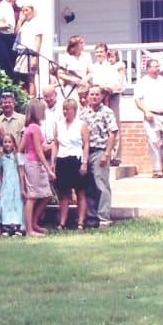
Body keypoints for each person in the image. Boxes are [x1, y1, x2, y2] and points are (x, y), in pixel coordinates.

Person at [80, 85, 118, 228]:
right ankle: (91, 217)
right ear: (87, 96)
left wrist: (107, 153)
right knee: (88, 185)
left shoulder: (107, 112)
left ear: (102, 97)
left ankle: (104, 218)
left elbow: (113, 133)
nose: (94, 97)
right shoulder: (83, 114)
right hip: (85, 152)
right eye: (91, 94)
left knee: (101, 184)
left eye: (97, 94)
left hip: (100, 151)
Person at [134, 59, 163, 178]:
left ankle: (159, 165)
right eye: (154, 67)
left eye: (158, 67)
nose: (156, 69)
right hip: (151, 116)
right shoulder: (143, 82)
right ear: (148, 68)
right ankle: (157, 170)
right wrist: (146, 111)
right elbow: (137, 100)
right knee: (153, 142)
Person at [52, 98, 89, 231]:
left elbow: (86, 145)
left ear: (74, 110)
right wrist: (53, 162)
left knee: (80, 192)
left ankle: (80, 222)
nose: (65, 111)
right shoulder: (59, 124)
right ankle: (62, 222)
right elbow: (55, 144)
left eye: (67, 109)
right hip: (62, 160)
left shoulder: (81, 124)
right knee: (63, 193)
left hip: (76, 159)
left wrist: (84, 163)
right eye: (64, 109)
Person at [20, 100, 53, 237]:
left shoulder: (30, 128)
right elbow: (39, 152)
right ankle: (29, 230)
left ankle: (33, 224)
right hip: (34, 164)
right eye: (42, 110)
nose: (44, 112)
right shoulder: (34, 128)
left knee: (47, 195)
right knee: (32, 197)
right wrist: (49, 169)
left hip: (32, 162)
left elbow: (21, 148)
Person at [0, 133, 25, 236]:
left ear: (13, 143)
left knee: (17, 204)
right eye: (5, 142)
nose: (7, 144)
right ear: (2, 144)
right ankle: (8, 228)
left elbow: (21, 172)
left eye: (9, 142)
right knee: (6, 204)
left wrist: (22, 188)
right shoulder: (1, 157)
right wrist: (0, 189)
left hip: (16, 184)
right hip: (6, 185)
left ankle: (18, 228)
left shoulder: (17, 156)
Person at [13, 4, 44, 96]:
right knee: (21, 79)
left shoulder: (36, 22)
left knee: (30, 79)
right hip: (21, 53)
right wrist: (20, 21)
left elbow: (38, 40)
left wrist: (35, 57)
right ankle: (25, 100)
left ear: (32, 10)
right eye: (23, 11)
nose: (24, 13)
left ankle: (32, 100)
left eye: (26, 10)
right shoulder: (25, 23)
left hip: (30, 54)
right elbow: (16, 33)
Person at [57, 35, 92, 102]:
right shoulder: (65, 57)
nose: (84, 44)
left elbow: (91, 72)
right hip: (71, 86)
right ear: (75, 46)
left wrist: (85, 79)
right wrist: (73, 79)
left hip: (84, 85)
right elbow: (60, 74)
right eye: (81, 43)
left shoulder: (86, 56)